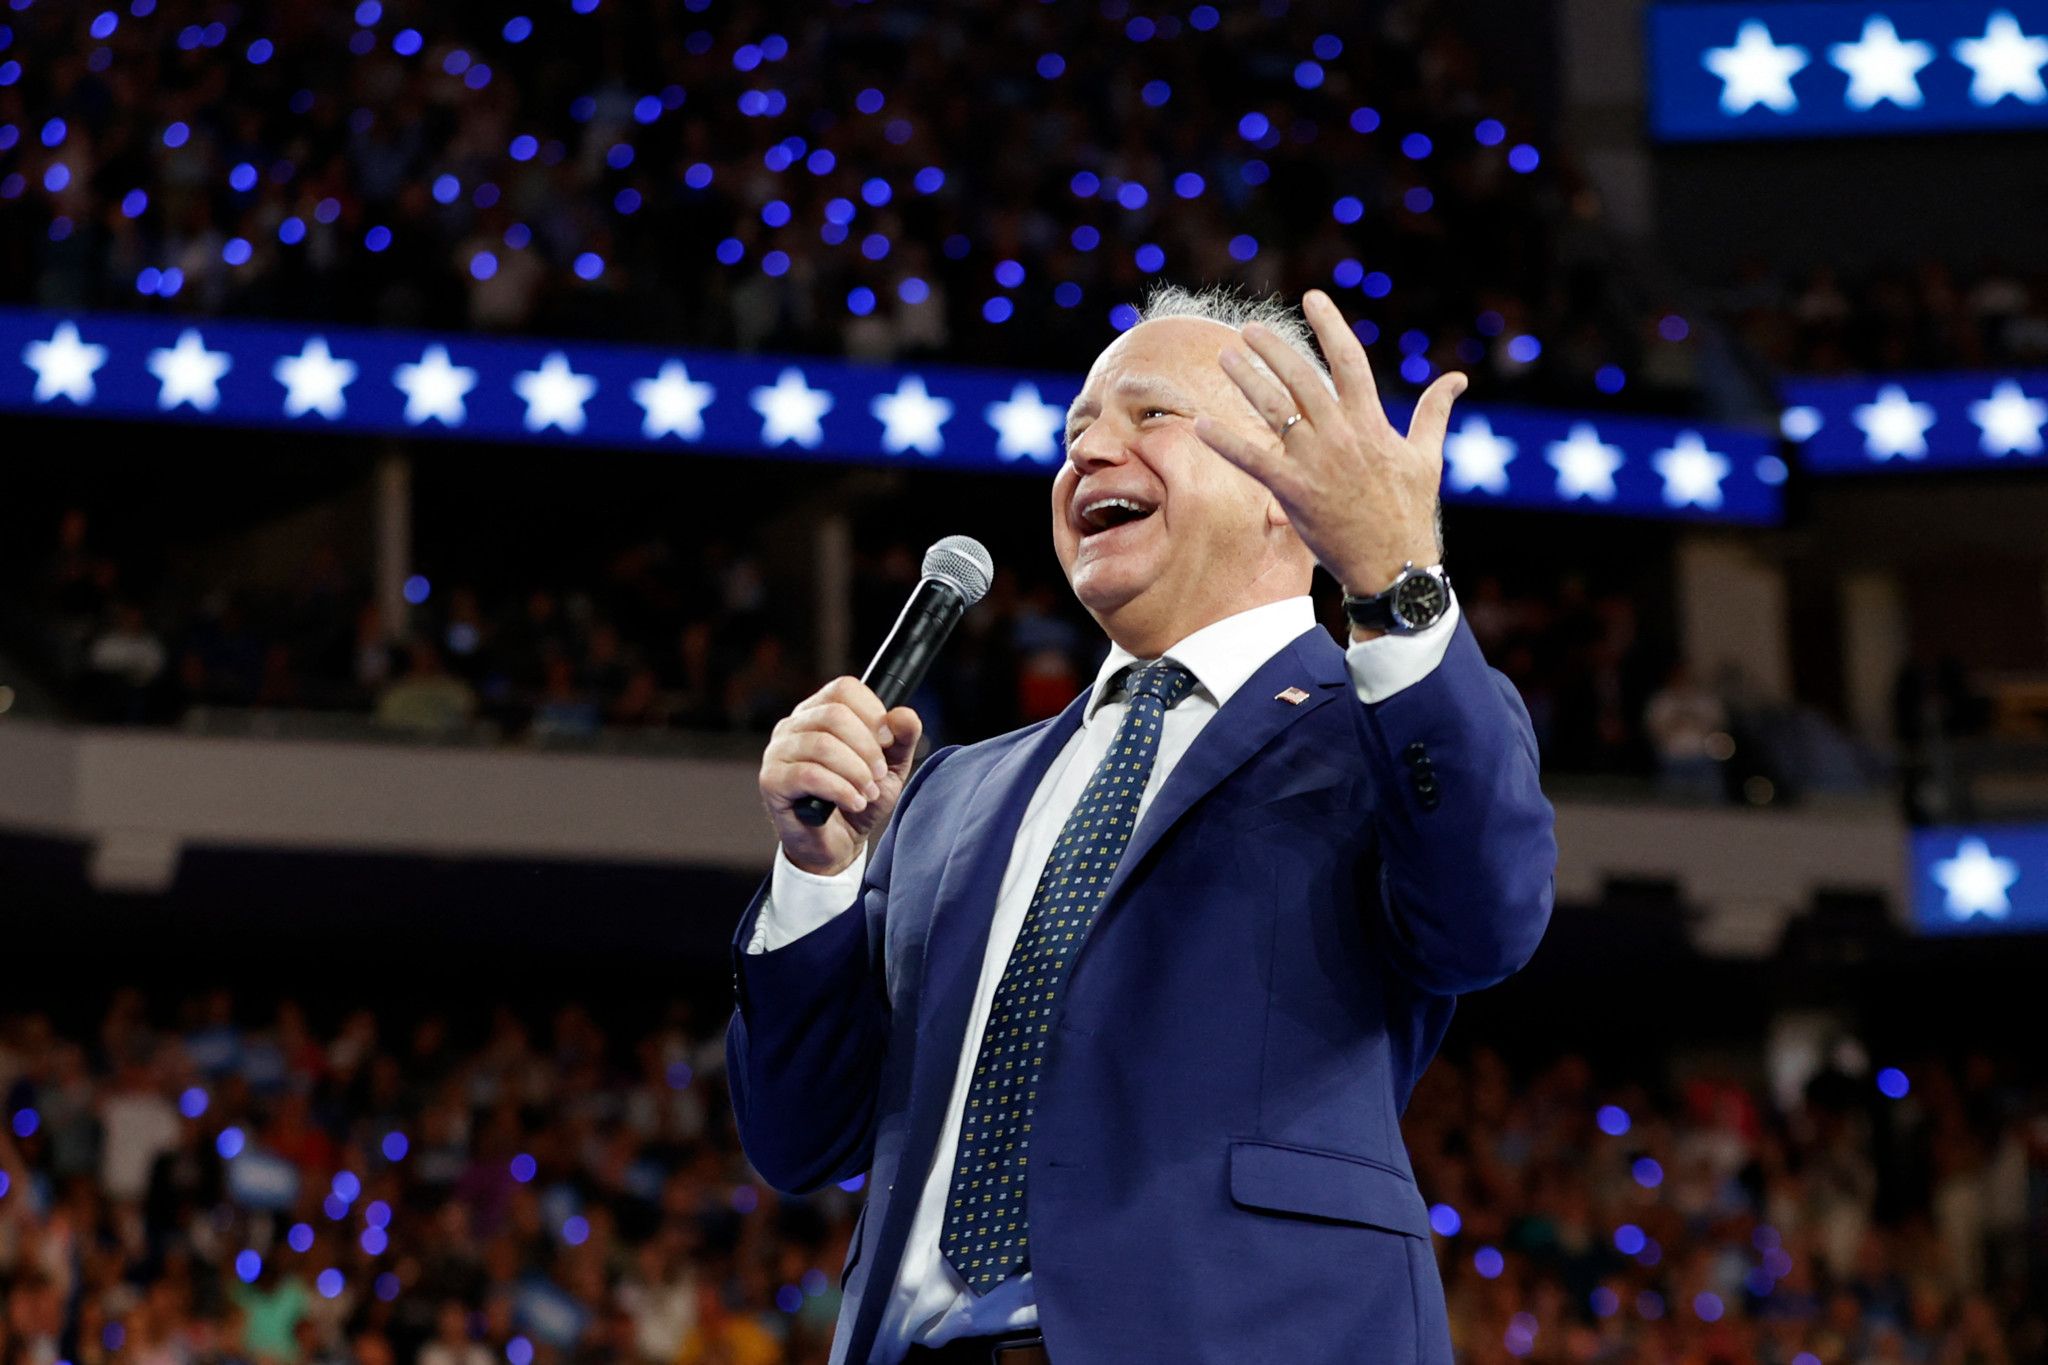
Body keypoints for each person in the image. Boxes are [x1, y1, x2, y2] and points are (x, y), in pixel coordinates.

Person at [728, 285, 1557, 1364]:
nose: (1089, 454)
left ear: (1281, 487)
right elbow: (798, 1139)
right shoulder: (949, 793)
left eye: (1148, 416)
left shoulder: (1386, 727)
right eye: (1075, 431)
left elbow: (1485, 919)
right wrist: (817, 874)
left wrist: (1396, 587)